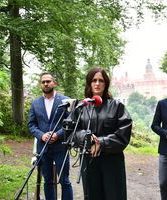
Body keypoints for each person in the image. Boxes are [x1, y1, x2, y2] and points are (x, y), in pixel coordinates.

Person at [70, 67, 132, 200]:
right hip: (88, 161)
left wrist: (100, 143)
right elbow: (71, 133)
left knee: (114, 195)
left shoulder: (117, 106)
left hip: (112, 162)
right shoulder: (81, 107)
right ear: (89, 83)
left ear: (106, 84)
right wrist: (86, 138)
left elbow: (123, 134)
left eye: (101, 80)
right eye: (94, 80)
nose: (97, 83)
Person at [28, 72, 73, 200]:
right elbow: (31, 124)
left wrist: (58, 134)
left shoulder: (66, 101)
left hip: (61, 147)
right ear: (41, 84)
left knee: (64, 181)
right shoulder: (35, 103)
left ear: (54, 83)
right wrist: (41, 136)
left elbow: (71, 123)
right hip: (43, 148)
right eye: (43, 82)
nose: (46, 84)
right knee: (47, 181)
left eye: (48, 81)